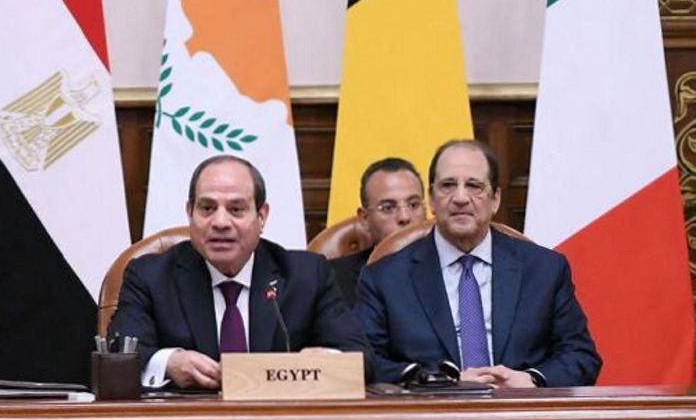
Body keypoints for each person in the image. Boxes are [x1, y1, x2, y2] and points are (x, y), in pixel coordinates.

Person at [109, 155, 371, 390]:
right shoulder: (150, 276)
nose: (221, 223)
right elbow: (118, 355)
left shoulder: (307, 275)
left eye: (236, 209)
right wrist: (168, 363)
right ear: (190, 213)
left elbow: (361, 358)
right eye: (207, 208)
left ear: (262, 216)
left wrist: (329, 361)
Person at [358, 139, 601, 387]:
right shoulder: (385, 278)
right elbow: (365, 362)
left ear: (495, 199)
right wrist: (441, 382)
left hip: (522, 415)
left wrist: (530, 379)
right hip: (432, 416)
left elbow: (581, 356)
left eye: (474, 186)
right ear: (431, 199)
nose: (460, 197)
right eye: (448, 185)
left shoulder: (544, 270)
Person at [329, 157, 427, 306]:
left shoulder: (453, 266)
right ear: (364, 219)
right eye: (388, 208)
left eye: (413, 204)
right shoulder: (334, 278)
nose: (404, 217)